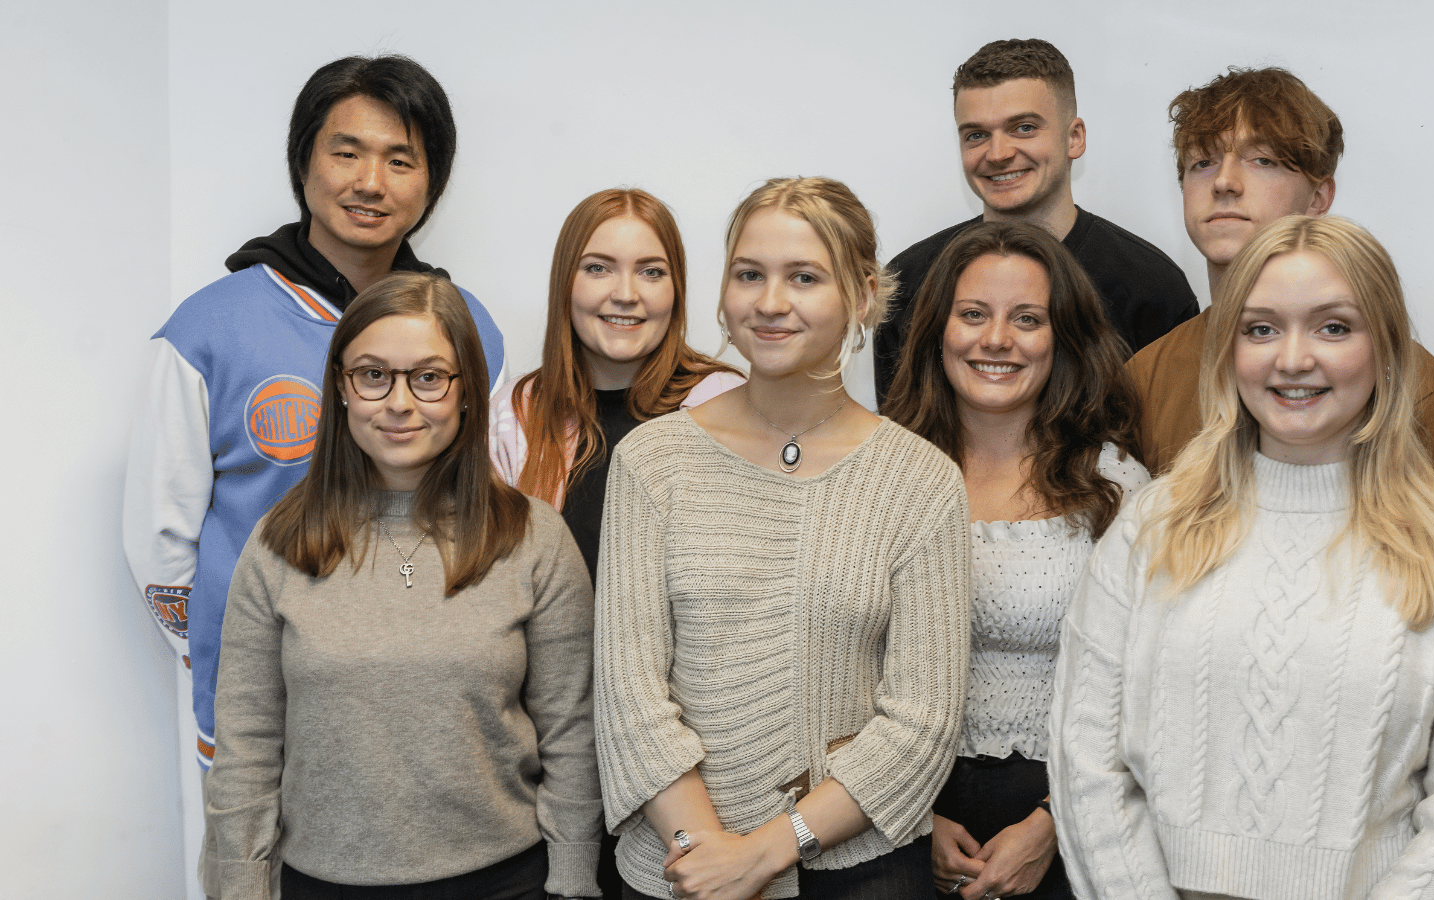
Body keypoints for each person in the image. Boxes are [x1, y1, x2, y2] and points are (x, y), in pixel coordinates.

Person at [1049, 216, 1434, 900]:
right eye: (1261, 328)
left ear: (1387, 348)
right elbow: (1087, 765)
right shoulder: (1150, 526)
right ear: (1228, 350)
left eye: (1334, 327)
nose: (1292, 359)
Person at [121, 56, 506, 868]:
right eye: (346, 151)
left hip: (429, 710)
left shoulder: (472, 331)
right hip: (266, 710)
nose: (371, 180)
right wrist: (235, 651)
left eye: (401, 159)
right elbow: (160, 541)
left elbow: (488, 509)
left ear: (432, 183)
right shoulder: (206, 331)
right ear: (303, 162)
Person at [594, 177, 971, 900]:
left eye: (804, 277)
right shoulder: (652, 462)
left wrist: (766, 852)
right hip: (680, 872)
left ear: (862, 297)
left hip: (858, 873)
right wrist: (705, 856)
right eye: (749, 275)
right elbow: (628, 692)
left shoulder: (921, 481)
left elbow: (923, 720)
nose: (769, 303)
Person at [206, 273, 600, 900]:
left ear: (466, 389)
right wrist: (240, 887)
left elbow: (573, 734)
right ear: (341, 386)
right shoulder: (278, 544)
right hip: (321, 884)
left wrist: (574, 880)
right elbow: (247, 747)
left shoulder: (534, 539)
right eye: (373, 375)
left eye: (428, 377)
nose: (398, 403)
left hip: (508, 883)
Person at [882, 221, 1147, 900]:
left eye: (1026, 319)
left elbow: (1148, 685)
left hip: (1070, 817)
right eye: (973, 314)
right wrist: (912, 818)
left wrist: (1054, 825)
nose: (996, 339)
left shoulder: (1117, 487)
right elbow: (840, 661)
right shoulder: (879, 477)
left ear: (1061, 337)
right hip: (898, 814)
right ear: (938, 329)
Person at [1126, 66, 1434, 494]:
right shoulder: (1145, 375)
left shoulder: (1402, 376)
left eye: (1263, 160)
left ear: (1318, 198)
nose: (1224, 182)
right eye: (1202, 162)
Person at [874, 38, 1196, 404]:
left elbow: (1171, 447)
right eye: (976, 135)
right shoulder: (909, 281)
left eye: (1023, 128)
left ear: (1074, 138)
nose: (997, 154)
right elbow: (896, 444)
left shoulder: (1151, 288)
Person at [490, 188, 743, 583]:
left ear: (677, 290)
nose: (626, 294)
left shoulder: (727, 403)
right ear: (565, 283)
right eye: (597, 268)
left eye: (651, 271)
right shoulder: (518, 410)